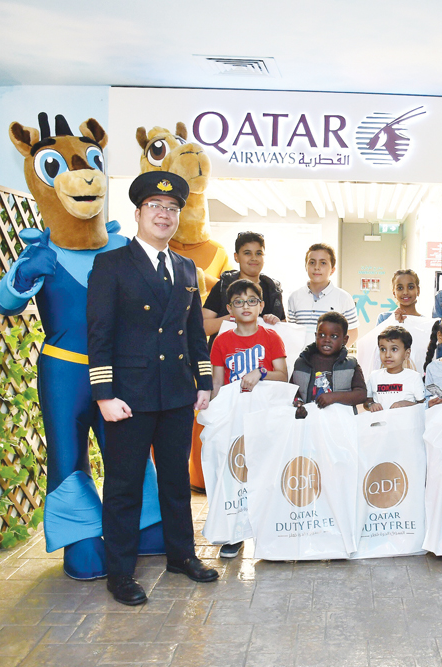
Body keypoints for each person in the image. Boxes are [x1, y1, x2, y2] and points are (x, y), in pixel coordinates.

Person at [87, 171, 218, 606]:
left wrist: (202, 383)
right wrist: (104, 395)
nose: (165, 215)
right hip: (129, 395)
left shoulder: (185, 268)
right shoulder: (112, 264)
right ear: (139, 212)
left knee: (177, 481)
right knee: (124, 484)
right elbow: (100, 333)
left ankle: (181, 556)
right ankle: (120, 573)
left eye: (173, 209)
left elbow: (194, 334)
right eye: (156, 207)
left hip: (177, 394)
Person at [207, 279, 287, 558]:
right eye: (239, 302)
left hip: (264, 416)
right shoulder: (222, 341)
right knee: (234, 473)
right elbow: (217, 382)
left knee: (265, 472)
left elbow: (283, 375)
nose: (246, 306)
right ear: (229, 308)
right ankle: (234, 534)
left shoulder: (270, 337)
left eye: (252, 301)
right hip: (233, 417)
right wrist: (213, 413)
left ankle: (268, 532)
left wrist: (260, 373)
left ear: (261, 305)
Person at [202, 231, 286, 339]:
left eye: (259, 253)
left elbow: (284, 330)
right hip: (227, 353)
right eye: (247, 253)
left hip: (263, 353)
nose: (254, 258)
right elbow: (202, 326)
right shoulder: (223, 286)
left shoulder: (273, 289)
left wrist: (275, 322)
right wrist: (232, 317)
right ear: (236, 257)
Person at [290, 311, 367, 414]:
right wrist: (298, 403)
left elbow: (361, 394)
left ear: (345, 339)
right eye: (321, 335)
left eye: (334, 336)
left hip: (339, 423)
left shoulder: (351, 365)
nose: (327, 340)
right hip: (308, 422)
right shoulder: (302, 363)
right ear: (315, 336)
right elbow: (292, 392)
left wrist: (334, 397)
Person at [287, 243, 359, 345]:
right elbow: (292, 332)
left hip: (331, 360)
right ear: (306, 267)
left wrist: (337, 356)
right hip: (301, 359)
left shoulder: (343, 298)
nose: (317, 267)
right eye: (312, 262)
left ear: (332, 269)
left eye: (323, 263)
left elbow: (352, 332)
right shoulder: (294, 297)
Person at [364, 326, 426, 411]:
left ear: (407, 353)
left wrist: (407, 404)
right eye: (383, 349)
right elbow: (367, 402)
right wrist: (371, 405)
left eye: (394, 349)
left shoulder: (414, 377)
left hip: (406, 423)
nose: (387, 355)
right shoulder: (374, 376)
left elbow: (423, 405)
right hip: (380, 423)